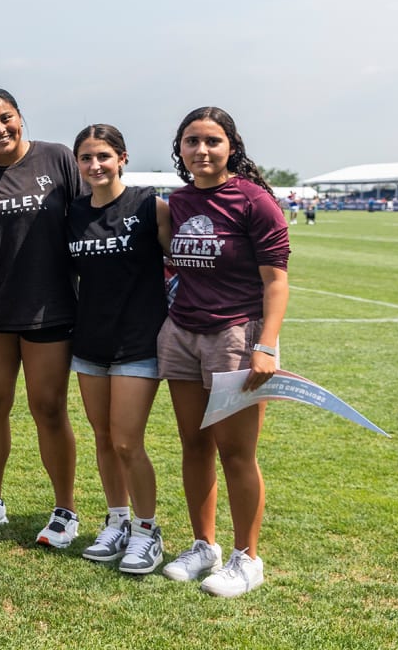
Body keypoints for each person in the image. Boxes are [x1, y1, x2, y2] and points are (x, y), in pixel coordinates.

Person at [159, 106, 289, 598]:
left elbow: (276, 284)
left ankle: (247, 558)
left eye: (212, 141)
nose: (202, 150)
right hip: (182, 334)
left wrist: (266, 345)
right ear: (181, 149)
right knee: (194, 446)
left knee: (237, 453)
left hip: (236, 337)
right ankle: (203, 546)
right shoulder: (179, 200)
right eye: (192, 141)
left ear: (231, 145)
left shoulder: (254, 201)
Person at [0, 88, 84, 547]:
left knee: (48, 407)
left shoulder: (57, 158)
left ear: (20, 117)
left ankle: (65, 509)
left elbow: (87, 217)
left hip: (50, 307)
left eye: (5, 118)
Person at [66, 124, 172, 575]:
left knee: (128, 440)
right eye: (87, 158)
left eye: (104, 156)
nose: (95, 165)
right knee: (104, 438)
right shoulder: (73, 213)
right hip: (91, 339)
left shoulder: (151, 206)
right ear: (78, 164)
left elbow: (182, 264)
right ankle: (117, 521)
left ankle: (149, 531)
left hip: (138, 341)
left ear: (122, 157)